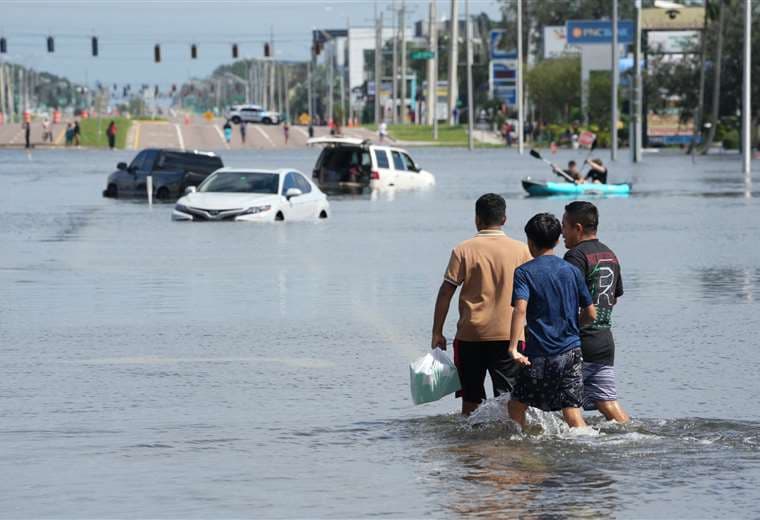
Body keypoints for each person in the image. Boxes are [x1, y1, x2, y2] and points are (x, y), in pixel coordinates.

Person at [431, 193, 532, 416]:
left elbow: (446, 291)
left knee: (470, 399)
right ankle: (508, 444)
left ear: (476, 219)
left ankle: (471, 447)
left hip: (471, 335)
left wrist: (437, 332)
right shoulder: (523, 250)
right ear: (504, 219)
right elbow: (533, 295)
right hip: (510, 337)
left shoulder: (463, 250)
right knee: (509, 399)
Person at [507, 213, 596, 429]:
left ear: (529, 241)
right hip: (572, 351)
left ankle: (521, 450)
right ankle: (587, 446)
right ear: (557, 240)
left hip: (540, 353)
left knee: (516, 406)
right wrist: (572, 329)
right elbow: (591, 313)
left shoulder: (524, 273)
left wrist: (513, 348)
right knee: (572, 412)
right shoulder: (572, 271)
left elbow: (520, 309)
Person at [562, 202, 629, 423]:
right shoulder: (610, 254)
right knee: (607, 402)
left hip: (579, 341)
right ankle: (634, 435)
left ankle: (580, 446)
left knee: (567, 403)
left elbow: (567, 300)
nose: (562, 233)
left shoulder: (575, 256)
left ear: (578, 228)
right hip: (604, 341)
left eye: (565, 226)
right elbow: (615, 298)